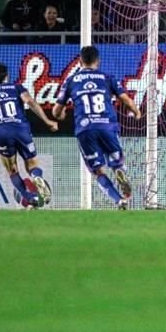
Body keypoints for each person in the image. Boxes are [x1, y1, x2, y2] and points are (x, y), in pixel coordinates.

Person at [52, 45, 141, 210]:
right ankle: (118, 169)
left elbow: (56, 111)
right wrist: (136, 112)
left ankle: (119, 200)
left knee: (98, 171)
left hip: (85, 129)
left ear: (80, 61)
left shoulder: (71, 80)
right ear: (97, 61)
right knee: (116, 161)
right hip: (107, 125)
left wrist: (60, 116)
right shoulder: (107, 77)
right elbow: (125, 99)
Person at [0, 62, 57, 208]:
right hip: (21, 128)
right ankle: (36, 177)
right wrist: (47, 121)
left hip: (2, 131)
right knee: (32, 164)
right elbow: (30, 101)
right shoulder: (16, 87)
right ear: (7, 76)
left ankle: (29, 198)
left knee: (12, 169)